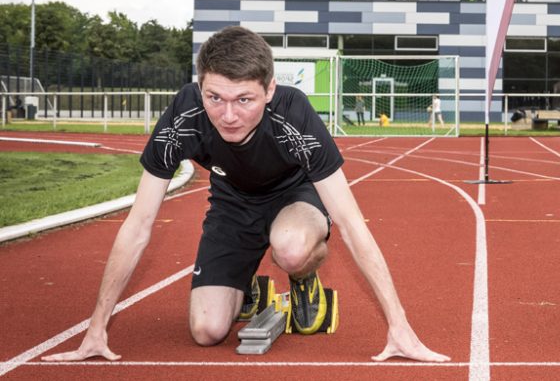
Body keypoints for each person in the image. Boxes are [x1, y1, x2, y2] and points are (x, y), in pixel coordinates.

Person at [42, 26, 449, 363]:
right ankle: (249, 288)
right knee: (206, 331)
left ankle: (303, 278)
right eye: (214, 98)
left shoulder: (295, 115)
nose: (229, 115)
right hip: (233, 205)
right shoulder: (183, 116)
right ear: (200, 86)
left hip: (294, 198)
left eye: (244, 100)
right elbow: (139, 224)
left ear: (270, 90)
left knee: (289, 248)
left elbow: (352, 223)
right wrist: (96, 328)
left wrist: (399, 326)